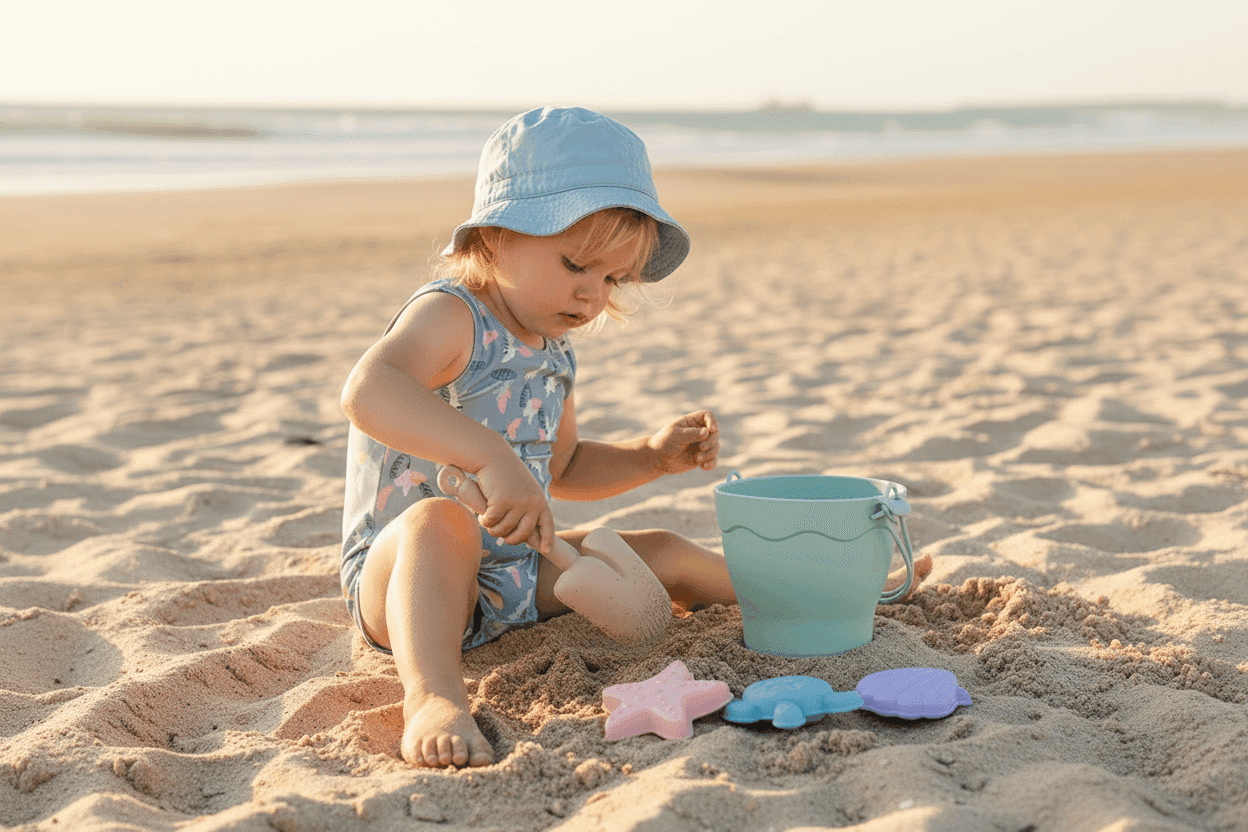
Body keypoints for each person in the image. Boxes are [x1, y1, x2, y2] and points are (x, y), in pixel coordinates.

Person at [339, 107, 739, 768]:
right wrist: (490, 455)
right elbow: (368, 390)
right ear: (496, 237)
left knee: (661, 550)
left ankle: (800, 599)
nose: (591, 296)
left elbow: (567, 467)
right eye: (577, 264)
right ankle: (433, 696)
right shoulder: (451, 315)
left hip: (513, 573)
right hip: (406, 580)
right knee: (440, 522)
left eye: (611, 279)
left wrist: (650, 458)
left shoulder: (553, 353)